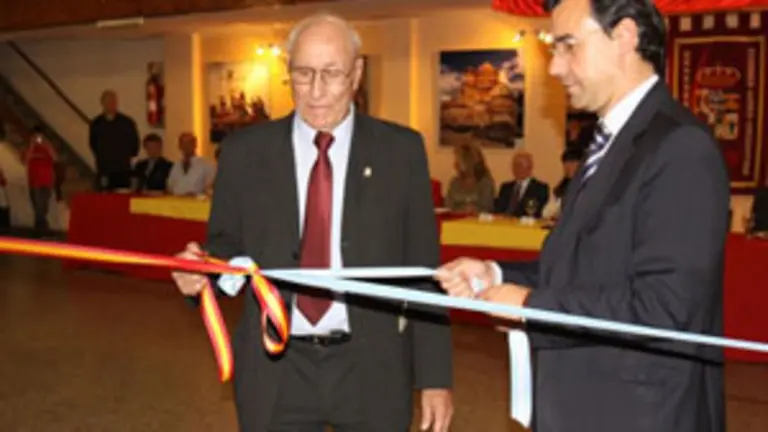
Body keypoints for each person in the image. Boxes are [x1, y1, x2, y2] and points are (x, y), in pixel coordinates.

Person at [435, 0, 729, 431]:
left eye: (568, 46)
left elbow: (664, 306)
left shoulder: (680, 147)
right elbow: (580, 268)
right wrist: (496, 274)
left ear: (624, 37)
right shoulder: (609, 141)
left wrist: (532, 307)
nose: (555, 68)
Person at [171, 13, 453, 432]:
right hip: (277, 368)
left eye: (331, 74)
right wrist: (201, 271)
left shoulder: (401, 152)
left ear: (356, 74)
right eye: (303, 74)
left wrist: (434, 378)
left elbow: (424, 272)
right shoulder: (245, 152)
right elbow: (226, 243)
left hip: (370, 368)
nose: (316, 91)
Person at [89, 90, 140, 191]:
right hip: (104, 168)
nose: (110, 104)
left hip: (123, 168)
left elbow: (134, 143)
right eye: (107, 101)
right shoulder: (96, 124)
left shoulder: (126, 122)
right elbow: (93, 144)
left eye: (113, 101)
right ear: (102, 103)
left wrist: (126, 155)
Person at [21, 127, 57, 236]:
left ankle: (39, 227)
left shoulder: (47, 147)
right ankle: (43, 227)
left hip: (47, 180)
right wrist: (32, 146)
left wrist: (47, 145)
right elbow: (25, 160)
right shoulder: (29, 149)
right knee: (38, 205)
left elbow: (55, 158)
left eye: (40, 137)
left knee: (44, 206)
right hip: (34, 181)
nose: (38, 139)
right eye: (35, 137)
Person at [493, 151, 549, 218]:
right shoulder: (505, 187)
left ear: (530, 167)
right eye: (515, 165)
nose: (517, 168)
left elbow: (537, 212)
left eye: (520, 165)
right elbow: (498, 209)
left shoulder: (540, 188)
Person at [444, 143, 495, 213]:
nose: (455, 164)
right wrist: (462, 210)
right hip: (455, 221)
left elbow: (487, 207)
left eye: (458, 161)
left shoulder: (485, 183)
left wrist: (474, 209)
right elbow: (448, 206)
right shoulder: (454, 182)